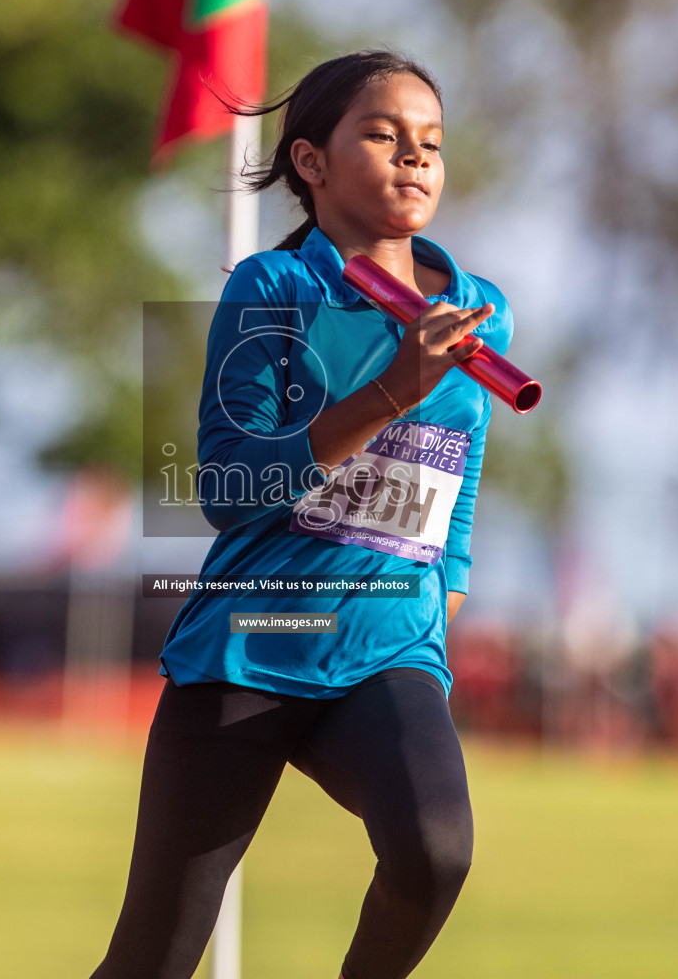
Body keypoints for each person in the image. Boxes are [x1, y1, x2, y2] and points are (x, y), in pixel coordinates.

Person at [90, 50, 516, 979]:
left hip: (388, 647)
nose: (414, 157)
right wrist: (389, 393)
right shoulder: (269, 293)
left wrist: (452, 579)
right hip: (253, 640)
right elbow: (226, 490)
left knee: (435, 852)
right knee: (152, 960)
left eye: (431, 143)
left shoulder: (480, 312)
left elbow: (464, 455)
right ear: (311, 163)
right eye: (383, 134)